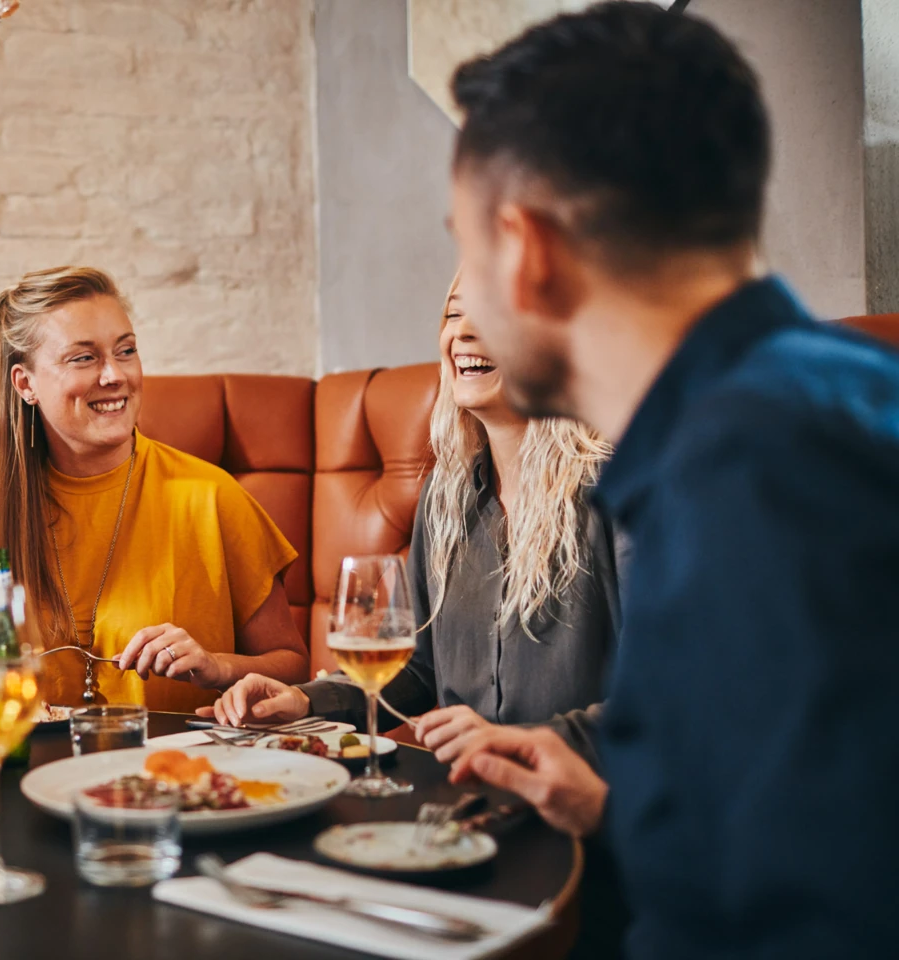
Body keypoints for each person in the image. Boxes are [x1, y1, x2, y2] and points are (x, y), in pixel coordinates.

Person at [435, 4, 899, 958]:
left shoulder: (747, 473)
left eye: (466, 248)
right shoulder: (822, 396)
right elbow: (787, 835)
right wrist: (614, 809)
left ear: (525, 250)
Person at [204, 276, 621, 768]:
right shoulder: (444, 495)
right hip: (466, 801)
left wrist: (525, 744)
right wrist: (306, 701)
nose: (463, 332)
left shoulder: (617, 494)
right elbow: (420, 670)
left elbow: (669, 694)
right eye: (453, 315)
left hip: (588, 812)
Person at [0, 266, 308, 712]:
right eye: (84, 357)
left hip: (171, 773)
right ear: (26, 384)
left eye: (126, 351)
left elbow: (295, 668)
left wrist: (217, 666)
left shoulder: (212, 497)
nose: (114, 375)